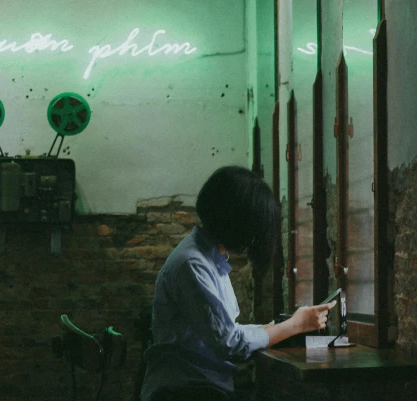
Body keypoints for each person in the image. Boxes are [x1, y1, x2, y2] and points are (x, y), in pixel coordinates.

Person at [139, 166, 336, 401]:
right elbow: (229, 344)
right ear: (237, 222)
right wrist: (295, 325)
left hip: (200, 387)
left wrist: (270, 329)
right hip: (186, 392)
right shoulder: (193, 264)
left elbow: (224, 331)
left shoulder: (209, 259)